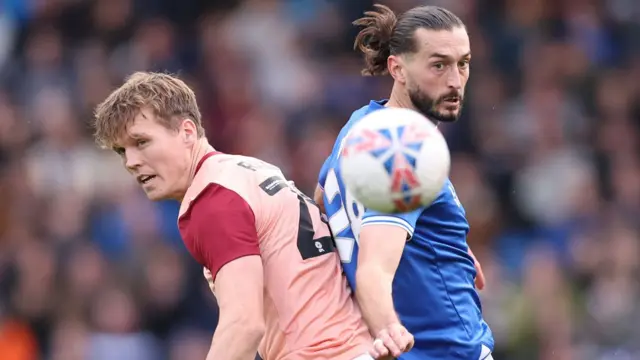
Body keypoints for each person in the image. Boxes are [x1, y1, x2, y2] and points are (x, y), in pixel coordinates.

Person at [92, 72, 374, 360]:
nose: (131, 161)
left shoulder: (211, 201)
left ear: (187, 132)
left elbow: (244, 325)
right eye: (121, 151)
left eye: (141, 142)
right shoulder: (248, 170)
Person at [315, 4, 494, 360]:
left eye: (463, 63)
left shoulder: (362, 123)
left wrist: (433, 243)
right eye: (438, 64)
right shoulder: (406, 151)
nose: (456, 80)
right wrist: (388, 330)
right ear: (397, 68)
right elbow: (373, 271)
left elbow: (321, 202)